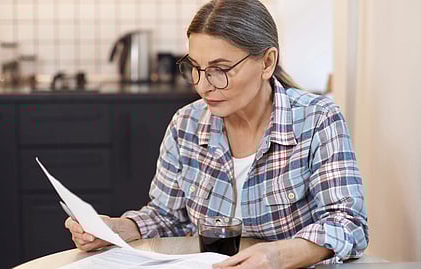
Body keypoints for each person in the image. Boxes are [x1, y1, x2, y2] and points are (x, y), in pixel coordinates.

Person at [64, 0, 369, 267]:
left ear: (267, 62)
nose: (203, 84)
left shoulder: (318, 120)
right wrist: (121, 228)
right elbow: (168, 215)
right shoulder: (186, 124)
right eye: (195, 67)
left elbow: (347, 223)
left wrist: (278, 256)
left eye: (220, 69)